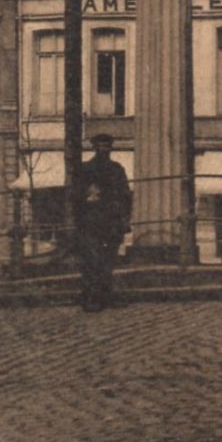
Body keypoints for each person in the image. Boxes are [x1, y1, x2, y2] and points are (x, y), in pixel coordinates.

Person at [75, 133, 131, 312]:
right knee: (93, 260)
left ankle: (106, 297)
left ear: (111, 148)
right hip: (92, 220)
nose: (104, 149)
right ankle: (91, 298)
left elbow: (126, 195)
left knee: (109, 261)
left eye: (107, 145)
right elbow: (77, 196)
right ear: (94, 147)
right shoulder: (86, 169)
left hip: (112, 220)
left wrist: (125, 217)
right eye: (101, 145)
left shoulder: (117, 169)